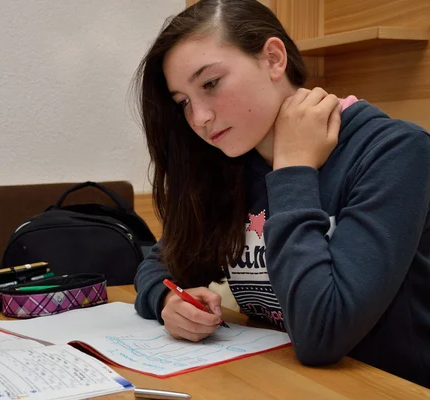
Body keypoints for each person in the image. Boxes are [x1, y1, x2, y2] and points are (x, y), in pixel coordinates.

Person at [131, 0, 430, 388]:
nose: (199, 117)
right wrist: (168, 301)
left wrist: (292, 170)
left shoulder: (396, 152)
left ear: (273, 59)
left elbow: (322, 333)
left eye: (210, 84)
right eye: (184, 103)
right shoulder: (231, 162)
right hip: (284, 382)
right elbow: (160, 264)